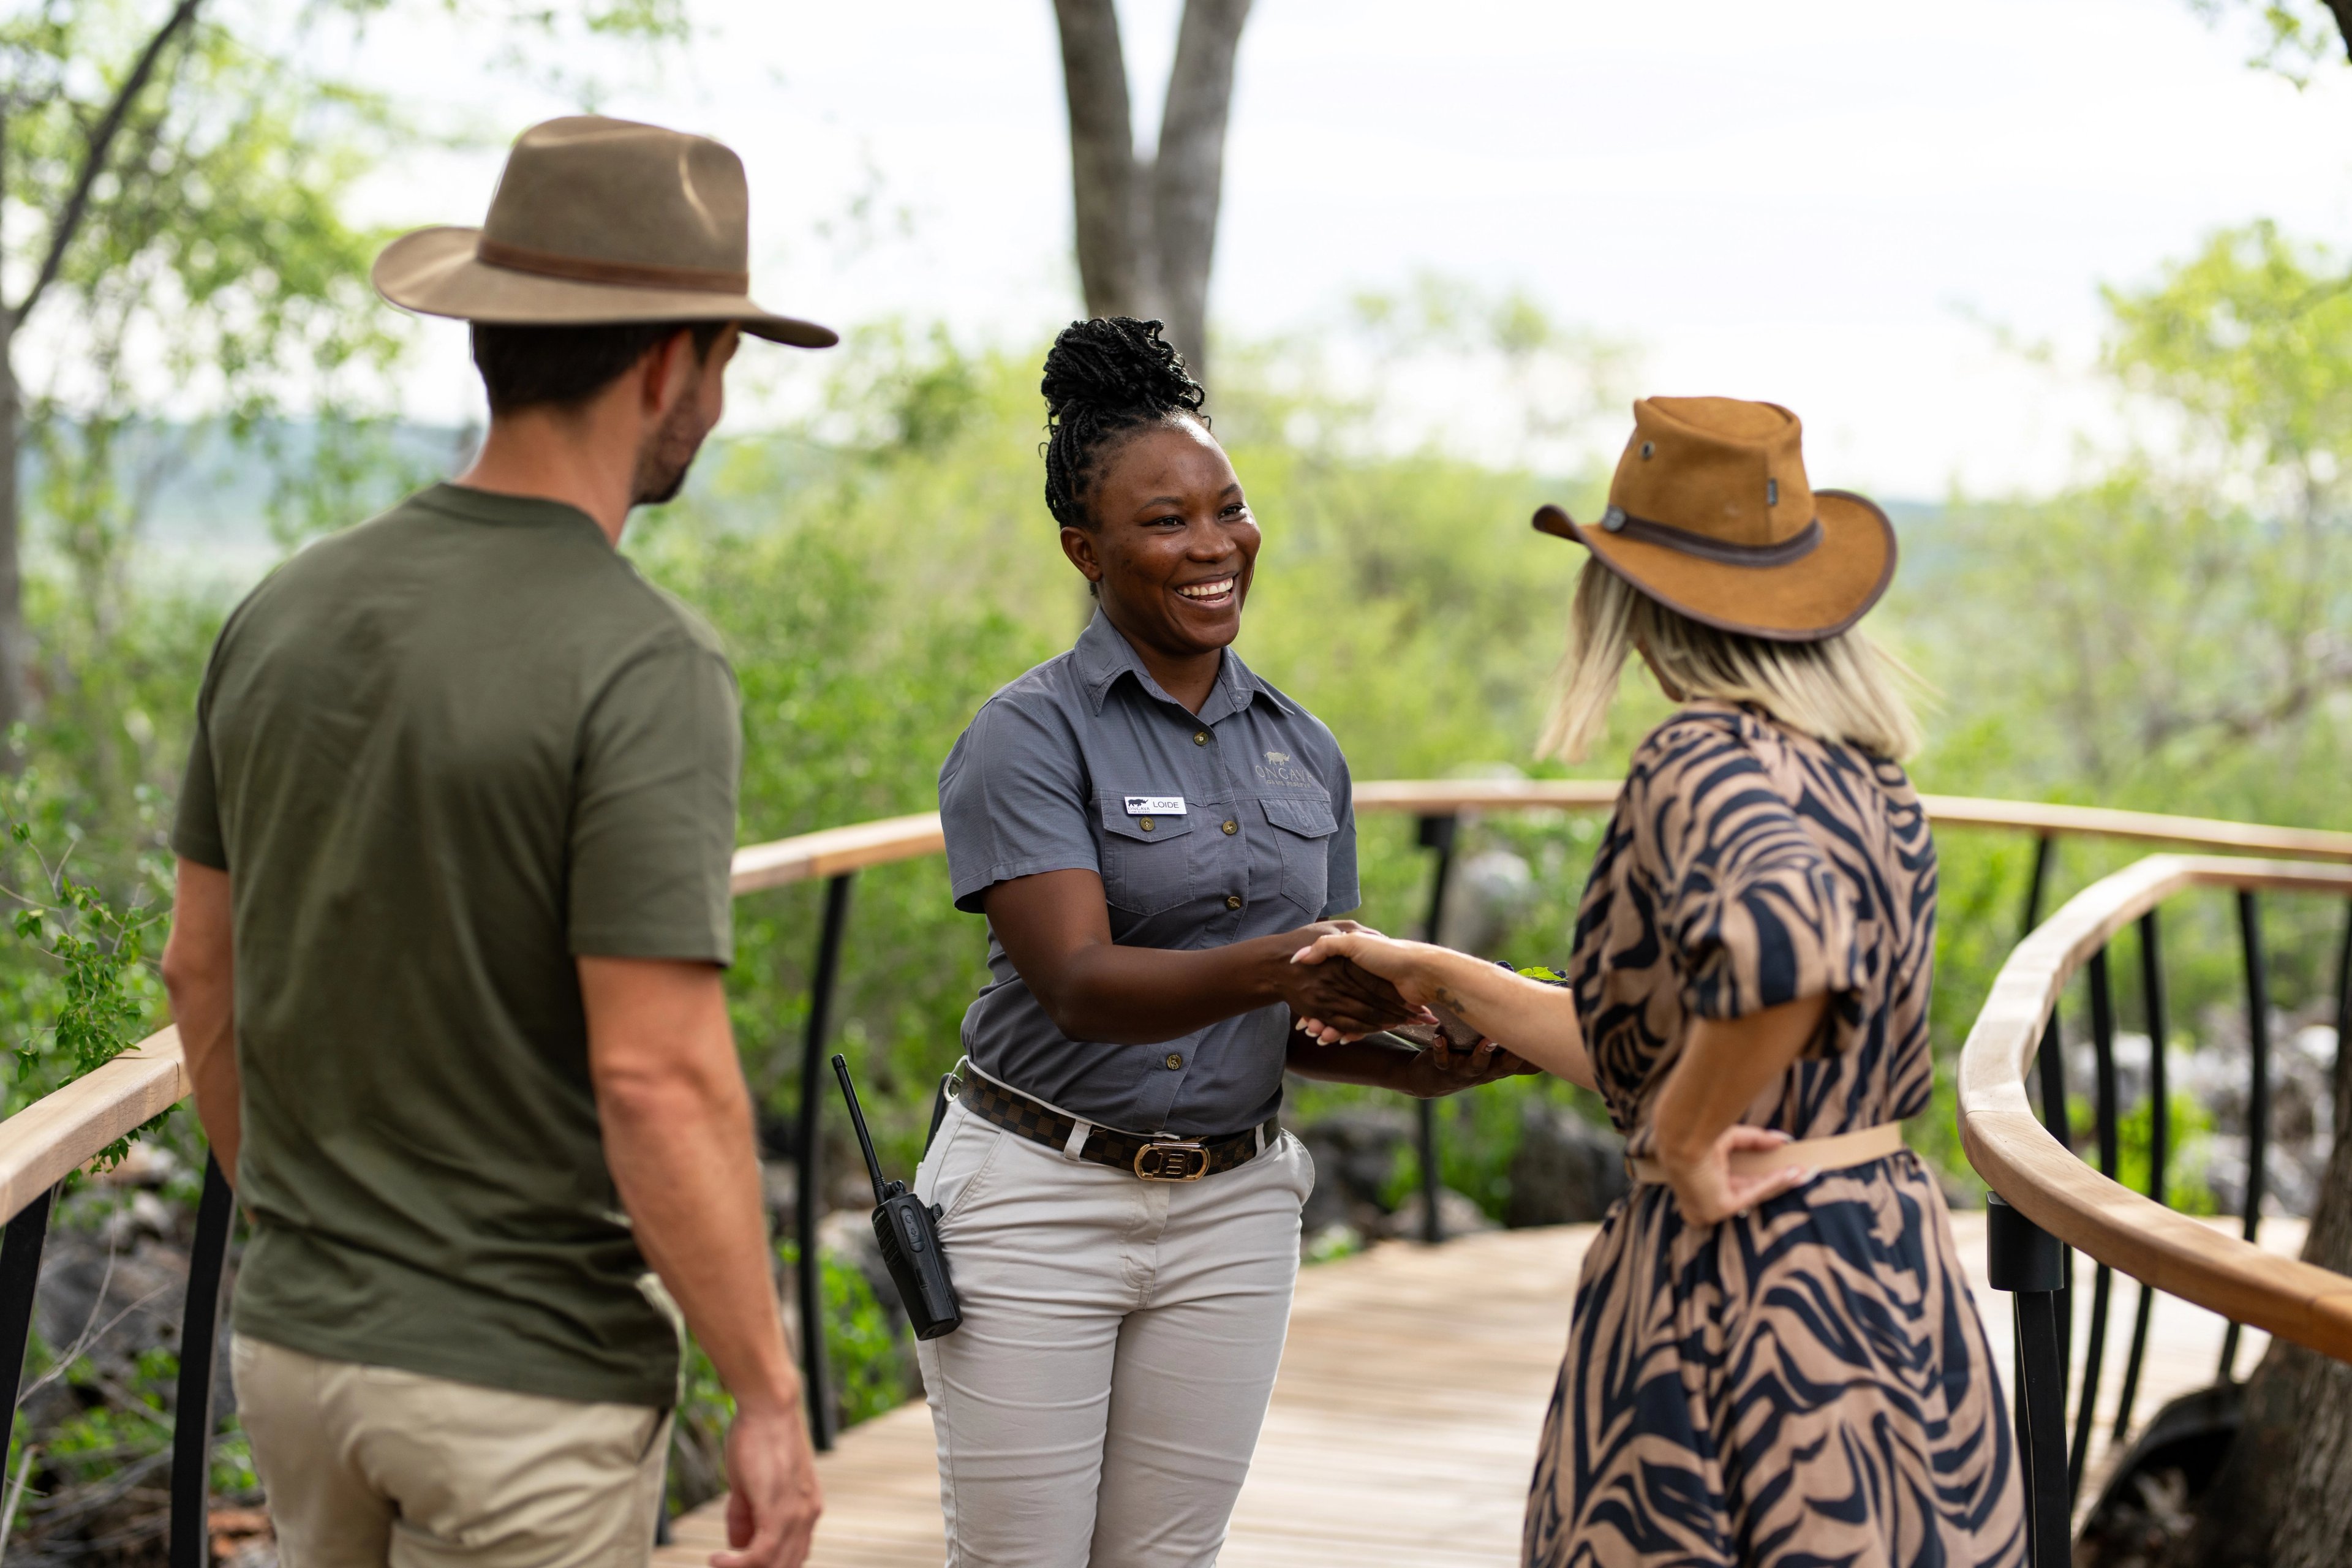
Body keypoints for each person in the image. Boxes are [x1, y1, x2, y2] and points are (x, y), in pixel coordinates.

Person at [158, 116, 837, 1568]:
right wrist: (768, 1390)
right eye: (723, 364)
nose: (717, 402)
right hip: (522, 1387)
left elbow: (198, 972)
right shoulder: (644, 662)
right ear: (671, 363)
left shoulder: (281, 609)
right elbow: (656, 1071)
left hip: (292, 1358)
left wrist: (313, 1241)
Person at [1294, 397, 2026, 1567]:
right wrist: (1437, 972)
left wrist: (1686, 1143)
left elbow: (1785, 961)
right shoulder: (1866, 776)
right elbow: (1679, 1037)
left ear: (1634, 590)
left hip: (1742, 1286)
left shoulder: (1701, 756)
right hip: (1886, 1265)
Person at [921, 317, 1530, 1567]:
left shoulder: (1305, 749)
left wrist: (1413, 1056)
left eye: (1228, 507)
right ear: (1085, 549)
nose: (1214, 545)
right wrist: (1287, 958)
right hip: (1037, 1197)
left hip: (1233, 1211)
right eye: (1166, 520)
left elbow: (1306, 1013)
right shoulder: (1026, 736)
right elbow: (1083, 986)